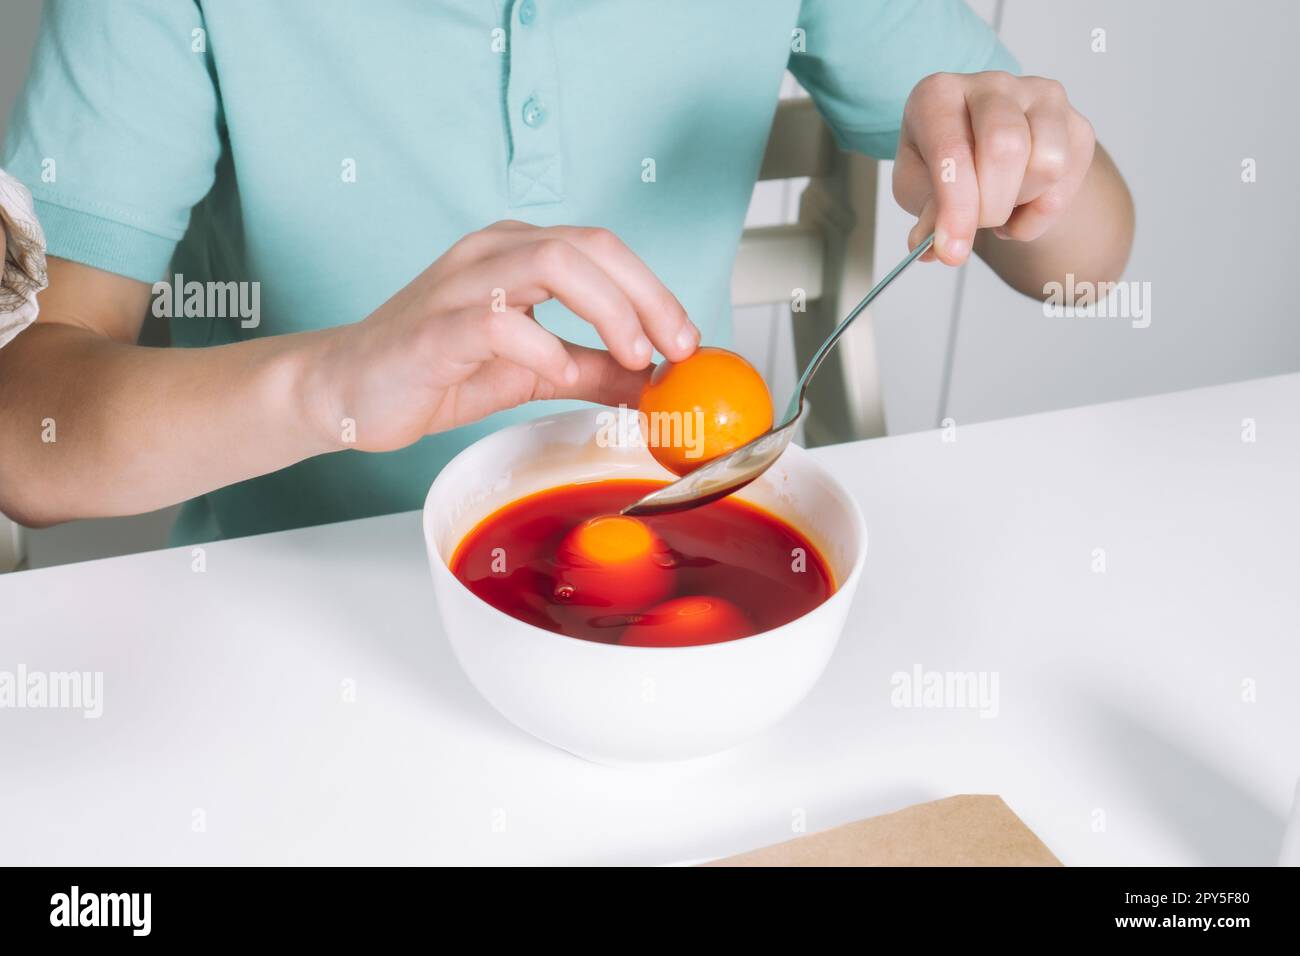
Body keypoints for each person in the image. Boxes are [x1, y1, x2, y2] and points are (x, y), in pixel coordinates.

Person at [0, 0, 1133, 543]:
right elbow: (22, 430)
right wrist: (331, 382)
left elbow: (1087, 268)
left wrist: (1029, 165)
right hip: (293, 604)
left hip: (676, 544)